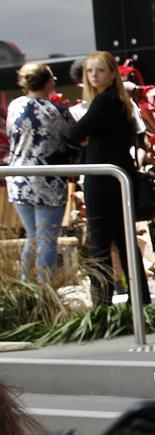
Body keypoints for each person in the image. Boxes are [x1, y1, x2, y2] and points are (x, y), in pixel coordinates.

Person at [66, 51, 151, 307]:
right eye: (90, 72)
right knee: (123, 239)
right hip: (115, 175)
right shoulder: (118, 101)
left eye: (100, 71)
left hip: (104, 179)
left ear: (112, 73)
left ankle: (102, 303)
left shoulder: (105, 101)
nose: (94, 76)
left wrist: (81, 140)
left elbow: (75, 133)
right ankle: (140, 298)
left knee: (101, 242)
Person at [4, 61, 75, 282]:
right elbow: (73, 138)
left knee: (33, 237)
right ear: (48, 82)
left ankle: (27, 286)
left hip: (18, 179)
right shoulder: (57, 111)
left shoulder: (15, 106)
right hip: (48, 181)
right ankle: (46, 292)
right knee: (46, 239)